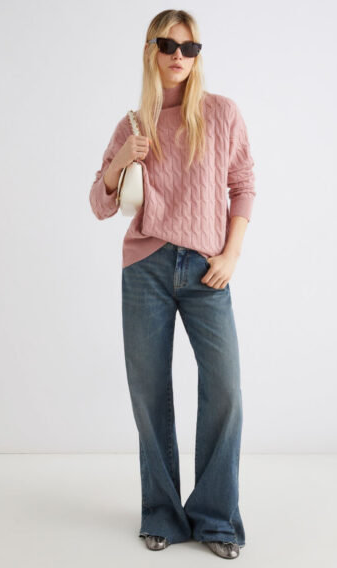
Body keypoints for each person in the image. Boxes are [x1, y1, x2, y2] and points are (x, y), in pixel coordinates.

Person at [89, 9, 256, 560]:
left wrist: (231, 254)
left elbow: (243, 185)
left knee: (225, 389)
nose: (178, 56)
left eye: (189, 48)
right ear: (151, 51)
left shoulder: (222, 113)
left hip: (208, 269)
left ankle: (216, 518)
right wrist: (119, 161)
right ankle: (161, 513)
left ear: (198, 55)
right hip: (147, 269)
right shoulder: (132, 125)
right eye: (168, 46)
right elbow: (99, 204)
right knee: (150, 393)